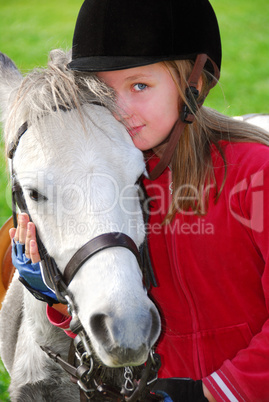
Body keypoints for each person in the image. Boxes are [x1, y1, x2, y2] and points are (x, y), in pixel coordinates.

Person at [10, 0, 269, 401]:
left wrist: (219, 392)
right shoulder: (104, 178)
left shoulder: (256, 172)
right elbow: (110, 306)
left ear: (193, 86)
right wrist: (56, 292)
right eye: (102, 90)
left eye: (139, 86)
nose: (120, 110)